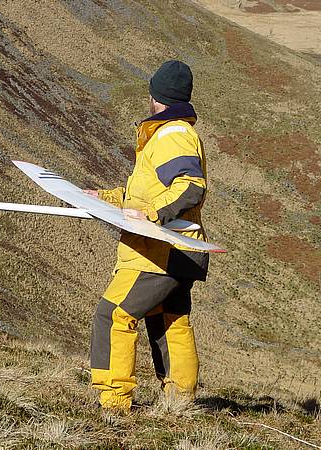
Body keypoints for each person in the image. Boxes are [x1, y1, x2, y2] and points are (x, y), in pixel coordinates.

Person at [86, 60, 209, 411]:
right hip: (181, 249)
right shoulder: (175, 135)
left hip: (158, 251)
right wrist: (106, 197)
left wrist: (153, 216)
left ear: (157, 98)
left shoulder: (172, 137)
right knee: (170, 320)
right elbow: (148, 193)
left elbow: (189, 187)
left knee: (113, 315)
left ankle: (114, 401)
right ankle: (180, 401)